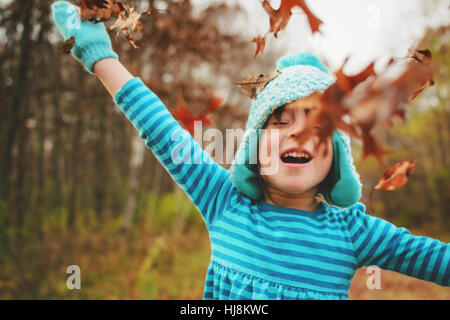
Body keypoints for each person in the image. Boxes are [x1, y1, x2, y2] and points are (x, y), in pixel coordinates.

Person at [51, 1, 450, 300]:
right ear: (254, 149)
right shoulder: (225, 201)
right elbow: (162, 131)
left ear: (336, 159)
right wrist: (101, 57)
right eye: (280, 120)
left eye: (317, 124)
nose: (297, 132)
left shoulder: (352, 231)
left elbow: (436, 260)